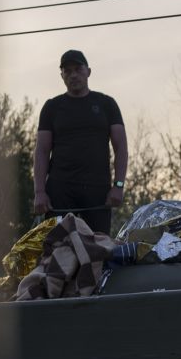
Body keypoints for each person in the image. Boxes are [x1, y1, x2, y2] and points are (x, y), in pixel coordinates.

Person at [32, 49, 127, 235]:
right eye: (67, 71)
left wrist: (118, 187)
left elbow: (121, 147)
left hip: (97, 189)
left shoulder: (106, 104)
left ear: (88, 71)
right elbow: (41, 151)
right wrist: (39, 192)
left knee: (99, 248)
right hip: (60, 189)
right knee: (58, 249)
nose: (73, 75)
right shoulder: (52, 107)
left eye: (78, 69)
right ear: (62, 76)